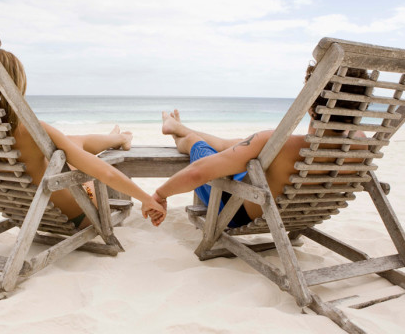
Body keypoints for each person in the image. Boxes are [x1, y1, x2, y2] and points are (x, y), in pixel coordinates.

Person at [0, 49, 165, 227]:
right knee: (72, 147)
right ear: (15, 86)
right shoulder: (31, 130)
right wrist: (146, 199)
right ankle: (119, 139)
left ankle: (115, 139)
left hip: (28, 214)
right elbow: (104, 173)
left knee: (68, 142)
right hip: (81, 215)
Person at [151, 66, 370, 227]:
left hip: (235, 212)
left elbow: (197, 173)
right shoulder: (361, 143)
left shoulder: (279, 142)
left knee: (193, 143)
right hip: (296, 214)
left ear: (310, 105)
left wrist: (161, 194)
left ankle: (180, 132)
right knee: (234, 145)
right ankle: (177, 126)